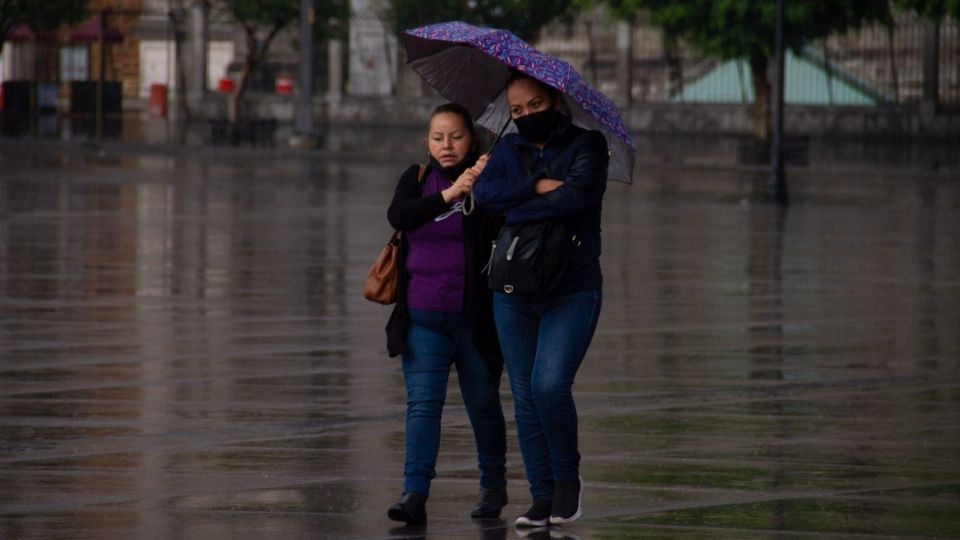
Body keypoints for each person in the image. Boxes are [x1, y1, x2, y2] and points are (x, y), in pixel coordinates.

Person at [472, 73, 609, 528]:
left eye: (535, 105)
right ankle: (541, 495)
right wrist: (534, 187)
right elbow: (487, 198)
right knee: (526, 395)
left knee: (549, 385)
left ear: (554, 101)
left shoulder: (588, 146)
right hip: (512, 289)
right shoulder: (506, 149)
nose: (527, 115)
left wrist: (518, 203)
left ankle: (567, 479)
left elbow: (575, 200)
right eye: (517, 111)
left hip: (572, 287)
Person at [384, 103, 508, 525]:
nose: (446, 145)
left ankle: (493, 486)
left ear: (471, 139)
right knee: (422, 406)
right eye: (438, 137)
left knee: (483, 405)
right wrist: (449, 195)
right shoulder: (417, 179)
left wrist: (483, 186)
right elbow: (399, 216)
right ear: (427, 141)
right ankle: (414, 492)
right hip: (422, 315)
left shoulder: (486, 179)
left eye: (455, 136)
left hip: (475, 320)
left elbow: (503, 225)